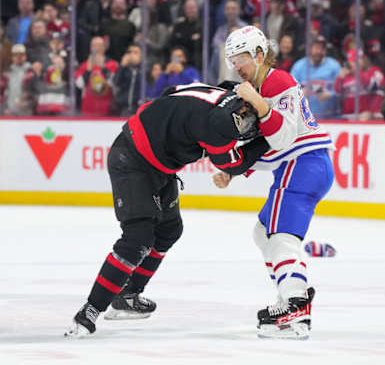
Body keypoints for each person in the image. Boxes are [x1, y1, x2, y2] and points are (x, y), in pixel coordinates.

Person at [65, 83, 269, 337]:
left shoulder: (224, 92)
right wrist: (267, 143)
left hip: (157, 163)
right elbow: (234, 164)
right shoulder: (220, 124)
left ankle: (128, 295)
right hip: (132, 161)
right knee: (138, 238)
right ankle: (89, 312)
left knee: (169, 229)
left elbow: (171, 90)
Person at [214, 26, 335, 339]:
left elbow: (282, 137)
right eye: (231, 61)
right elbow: (266, 142)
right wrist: (234, 170)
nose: (236, 66)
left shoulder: (276, 81)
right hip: (301, 167)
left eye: (240, 58)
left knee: (280, 237)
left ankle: (296, 309)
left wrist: (258, 101)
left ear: (258, 54)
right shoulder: (264, 85)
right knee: (262, 232)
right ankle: (288, 297)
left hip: (303, 165)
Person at [290, 35, 341, 119]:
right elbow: (289, 91)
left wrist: (331, 95)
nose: (319, 51)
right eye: (316, 48)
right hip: (305, 120)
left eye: (322, 49)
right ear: (309, 49)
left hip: (331, 118)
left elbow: (342, 91)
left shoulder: (334, 66)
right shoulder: (298, 66)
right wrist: (300, 93)